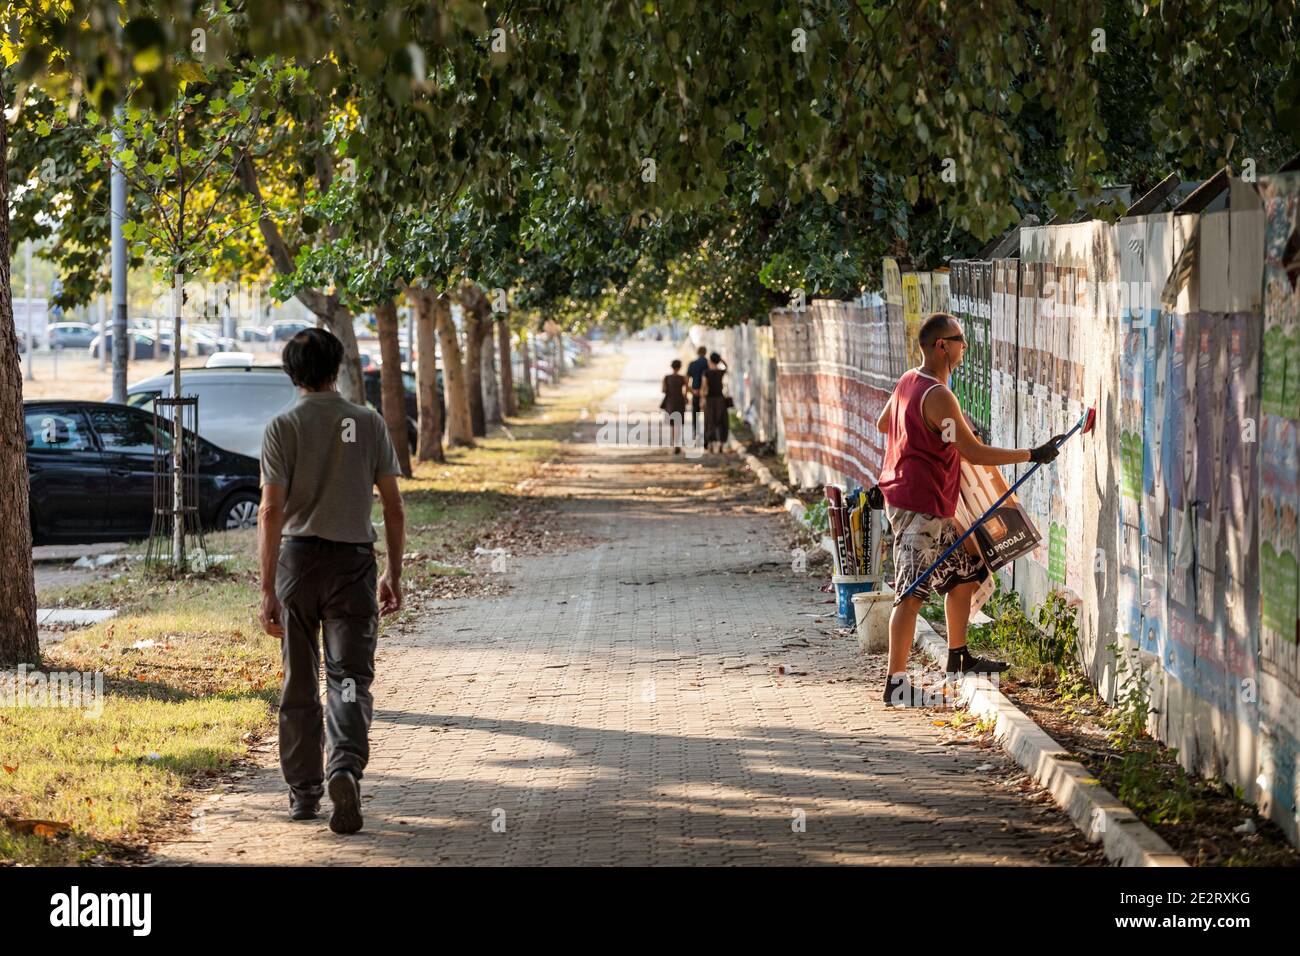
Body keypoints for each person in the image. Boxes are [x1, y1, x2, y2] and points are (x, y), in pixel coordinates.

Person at [258, 328, 406, 833]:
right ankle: (344, 764)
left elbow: (270, 509)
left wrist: (266, 588)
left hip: (297, 564)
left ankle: (303, 794)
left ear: (291, 371)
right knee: (347, 679)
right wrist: (394, 571)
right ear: (337, 367)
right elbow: (393, 505)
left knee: (299, 680)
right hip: (353, 565)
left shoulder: (282, 427)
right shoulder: (368, 422)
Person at [875, 313, 1062, 707]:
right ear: (942, 345)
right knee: (910, 592)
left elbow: (883, 423)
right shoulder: (938, 394)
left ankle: (958, 657)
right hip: (918, 506)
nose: (965, 347)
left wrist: (929, 437)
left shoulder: (910, 381)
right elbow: (973, 452)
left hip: (926, 503)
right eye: (960, 340)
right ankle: (896, 684)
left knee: (965, 573)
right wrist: (1033, 454)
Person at [700, 352, 730, 453]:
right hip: (720, 399)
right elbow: (726, 367)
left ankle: (712, 445)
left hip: (710, 399)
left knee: (710, 421)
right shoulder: (720, 372)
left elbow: (704, 387)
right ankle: (721, 444)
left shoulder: (706, 372)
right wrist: (720, 359)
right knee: (721, 421)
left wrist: (702, 399)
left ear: (710, 361)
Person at [662, 358, 689, 454]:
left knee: (672, 424)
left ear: (671, 367)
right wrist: (686, 398)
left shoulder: (666, 378)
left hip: (670, 402)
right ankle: (678, 444)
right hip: (680, 401)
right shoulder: (683, 378)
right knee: (678, 423)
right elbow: (686, 391)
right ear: (680, 367)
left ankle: (674, 444)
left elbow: (664, 390)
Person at [686, 346, 709, 440]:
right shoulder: (708, 363)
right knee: (707, 414)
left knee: (695, 413)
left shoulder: (692, 364)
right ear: (705, 352)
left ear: (697, 352)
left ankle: (696, 432)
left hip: (695, 392)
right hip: (707, 393)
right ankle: (707, 434)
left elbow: (687, 380)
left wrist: (691, 391)